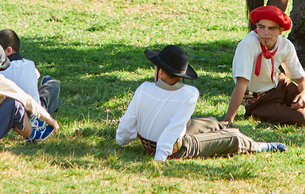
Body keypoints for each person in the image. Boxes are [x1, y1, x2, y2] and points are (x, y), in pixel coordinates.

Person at [116, 44, 286, 161]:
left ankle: (226, 131)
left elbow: (129, 120)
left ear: (160, 72)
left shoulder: (144, 88)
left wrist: (121, 139)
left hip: (154, 142)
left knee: (211, 122)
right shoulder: (189, 93)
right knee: (233, 138)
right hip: (174, 148)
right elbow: (173, 129)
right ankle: (261, 146)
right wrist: (160, 157)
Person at [222, 6, 305, 127]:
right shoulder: (248, 44)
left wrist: (304, 95)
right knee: (304, 119)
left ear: (281, 31)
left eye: (271, 28)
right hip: (258, 100)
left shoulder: (285, 45)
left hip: (281, 87)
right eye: (261, 27)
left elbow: (302, 80)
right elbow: (241, 84)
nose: (265, 33)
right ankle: (266, 112)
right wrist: (228, 120)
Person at [0, 28, 61, 114]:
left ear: (8, 51)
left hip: (6, 116)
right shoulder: (30, 64)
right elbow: (36, 75)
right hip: (35, 113)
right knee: (53, 85)